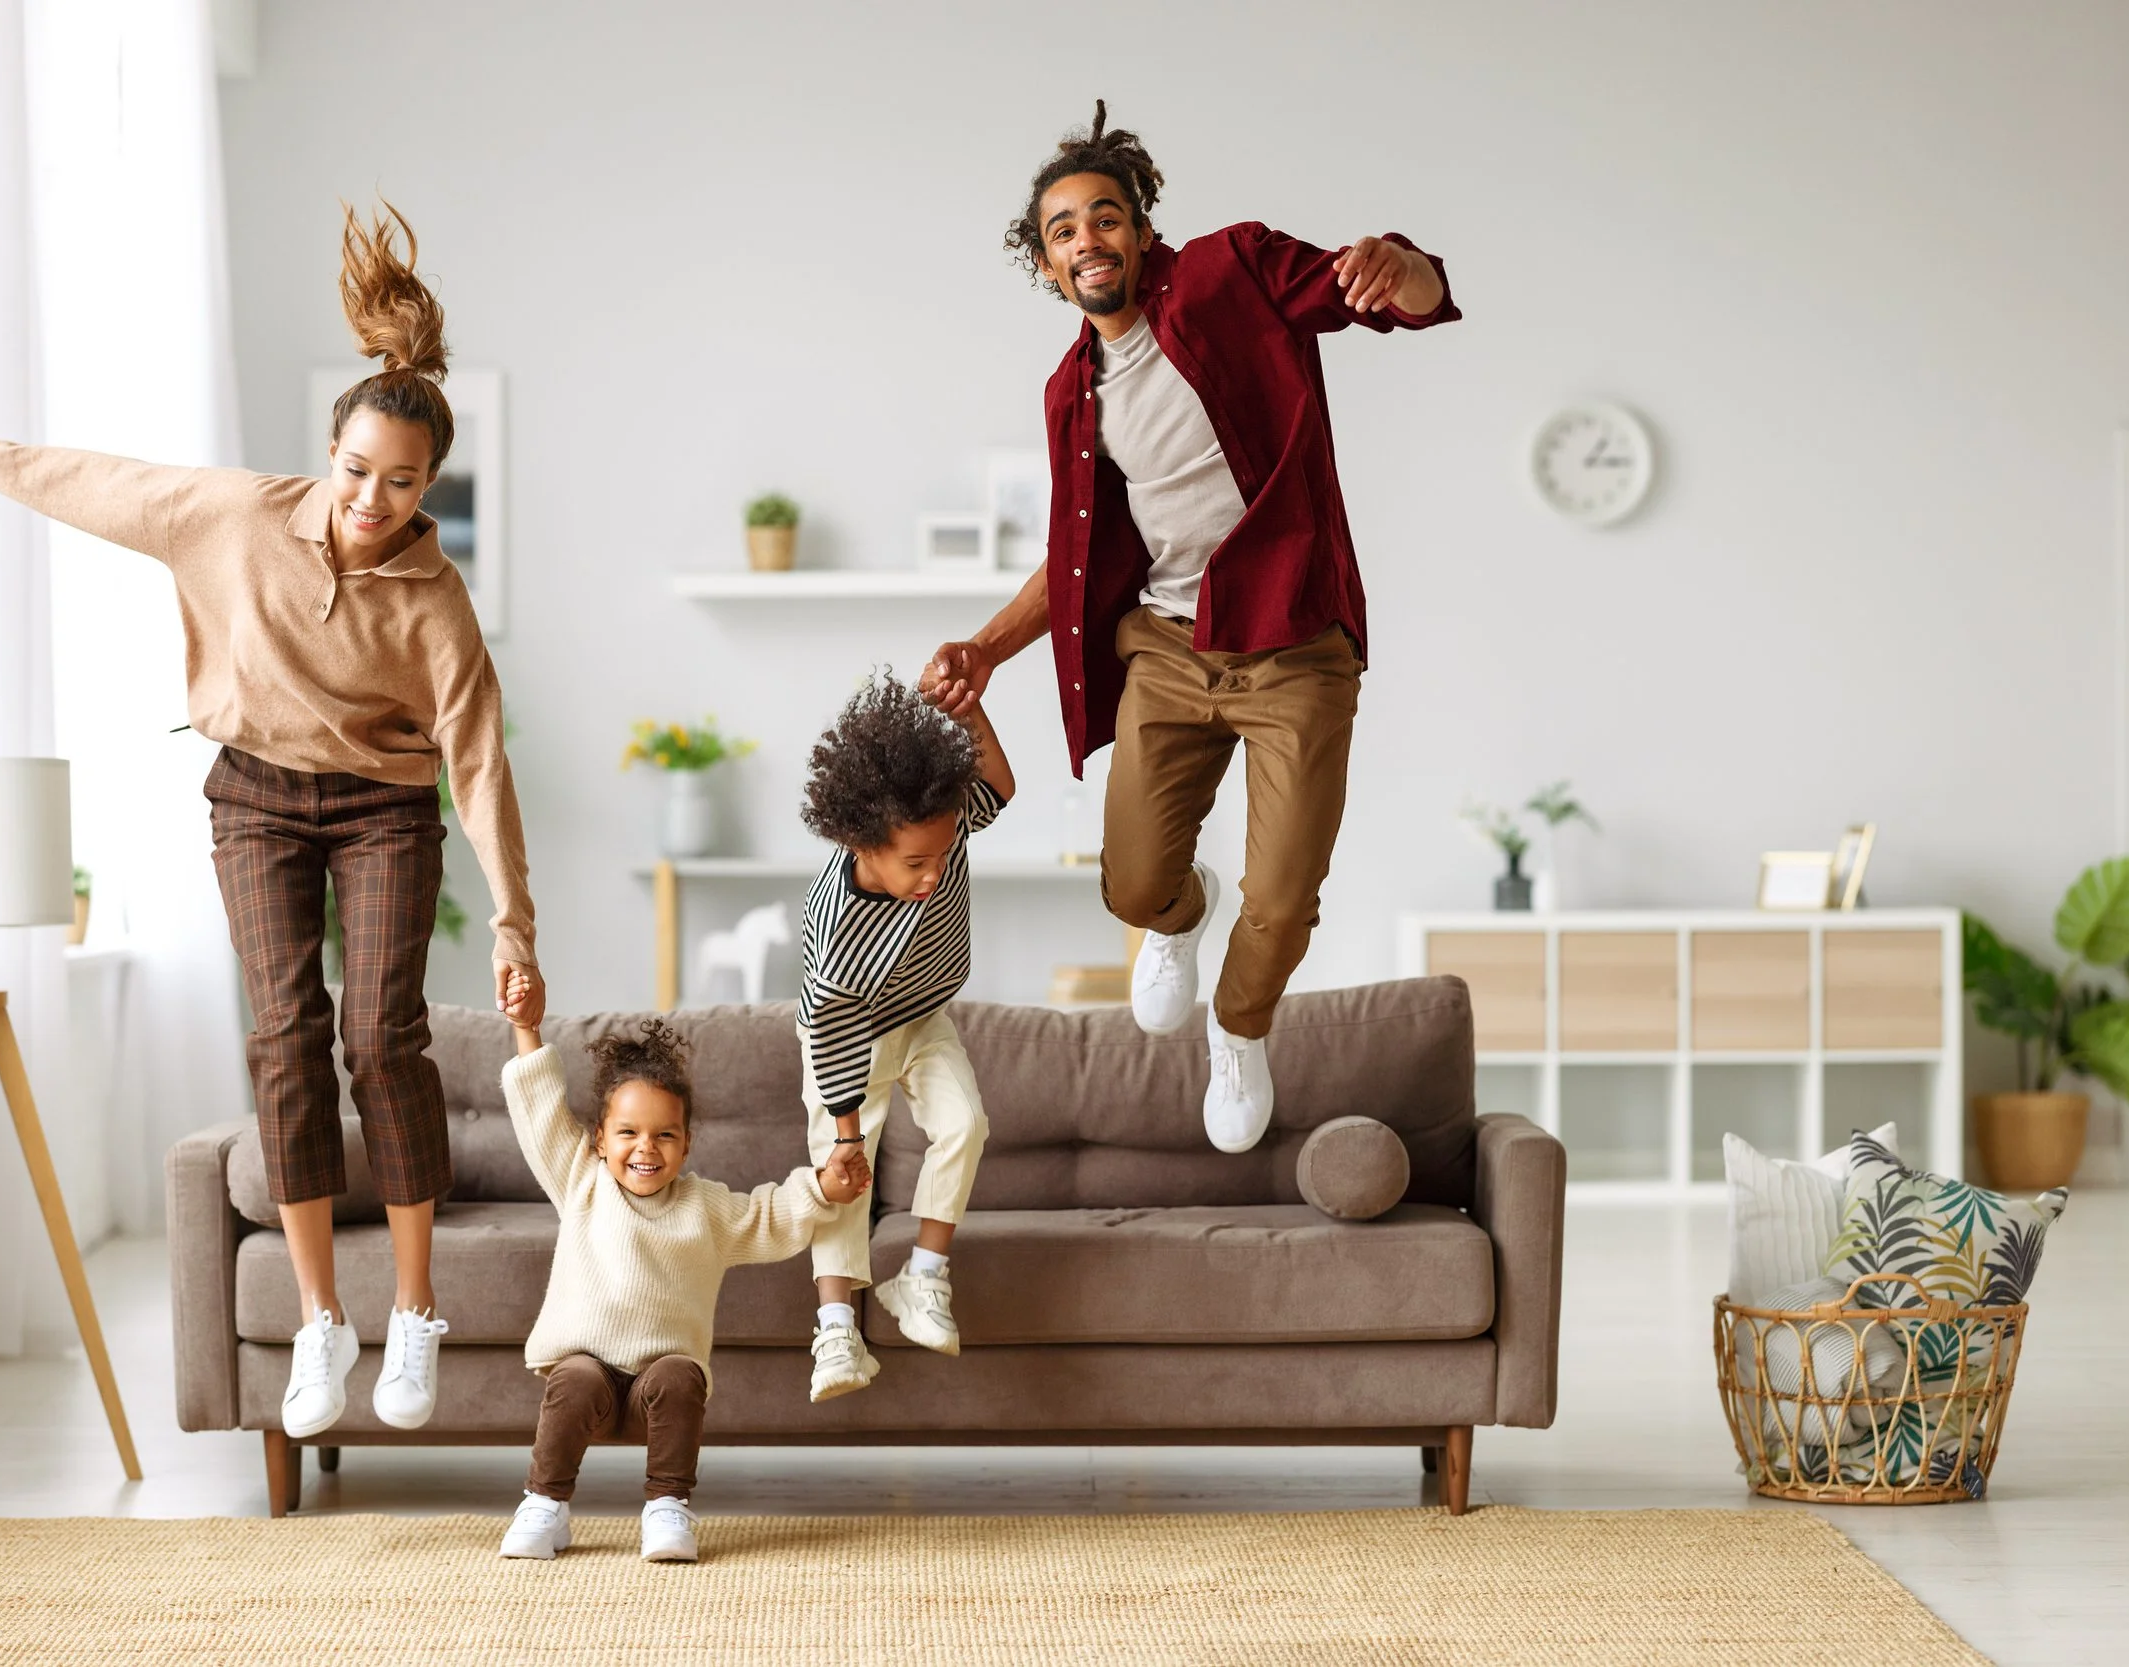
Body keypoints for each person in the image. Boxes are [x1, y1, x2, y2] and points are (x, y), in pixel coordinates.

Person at [0, 203, 541, 1442]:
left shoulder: (432, 596)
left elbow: (476, 757)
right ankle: (321, 1320)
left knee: (381, 1032)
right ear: (329, 452)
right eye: (358, 469)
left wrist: (515, 923)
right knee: (284, 1031)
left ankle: (411, 1309)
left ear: (431, 485)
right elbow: (99, 485)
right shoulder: (237, 515)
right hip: (254, 794)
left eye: (403, 481)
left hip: (381, 807)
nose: (373, 496)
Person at [922, 102, 1459, 1154]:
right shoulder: (1070, 393)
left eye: (1105, 216)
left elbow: (1401, 298)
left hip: (1294, 641)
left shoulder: (1231, 271)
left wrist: (1402, 267)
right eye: (1064, 229)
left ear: (1141, 224)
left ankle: (1241, 1026)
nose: (1088, 239)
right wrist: (986, 648)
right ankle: (1179, 915)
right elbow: (1078, 564)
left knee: (1284, 892)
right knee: (1130, 881)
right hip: (1166, 649)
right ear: (1044, 262)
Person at [494, 997, 864, 1563]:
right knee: (574, 1380)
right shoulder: (579, 1181)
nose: (646, 1147)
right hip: (585, 1375)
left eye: (665, 1135)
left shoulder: (704, 1207)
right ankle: (544, 1504)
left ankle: (668, 1506)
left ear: (686, 1143)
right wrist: (525, 1026)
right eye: (628, 1133)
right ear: (599, 1139)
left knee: (681, 1374)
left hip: (657, 1390)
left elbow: (770, 1215)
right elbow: (539, 1108)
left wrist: (821, 1187)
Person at [793, 675, 1012, 1403]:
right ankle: (835, 1328)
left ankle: (920, 1279)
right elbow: (832, 1035)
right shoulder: (838, 929)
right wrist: (850, 1135)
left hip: (922, 1016)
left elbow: (1000, 785)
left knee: (965, 1122)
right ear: (862, 842)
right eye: (916, 863)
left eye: (943, 855)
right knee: (840, 1174)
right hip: (846, 1041)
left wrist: (968, 709)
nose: (934, 873)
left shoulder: (936, 822)